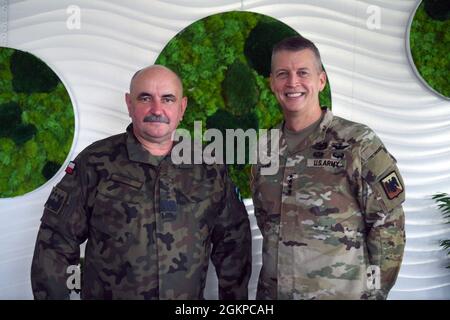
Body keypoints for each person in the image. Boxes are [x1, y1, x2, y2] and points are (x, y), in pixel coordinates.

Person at [31, 65, 252, 300]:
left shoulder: (209, 167)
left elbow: (233, 245)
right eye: (145, 98)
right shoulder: (94, 163)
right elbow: (55, 246)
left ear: (182, 107)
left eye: (168, 99)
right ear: (129, 104)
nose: (157, 109)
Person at [251, 36, 405, 300]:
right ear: (272, 83)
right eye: (282, 74)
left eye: (302, 73)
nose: (292, 82)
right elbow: (267, 223)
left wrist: (374, 293)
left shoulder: (357, 143)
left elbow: (387, 227)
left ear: (321, 80)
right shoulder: (265, 147)